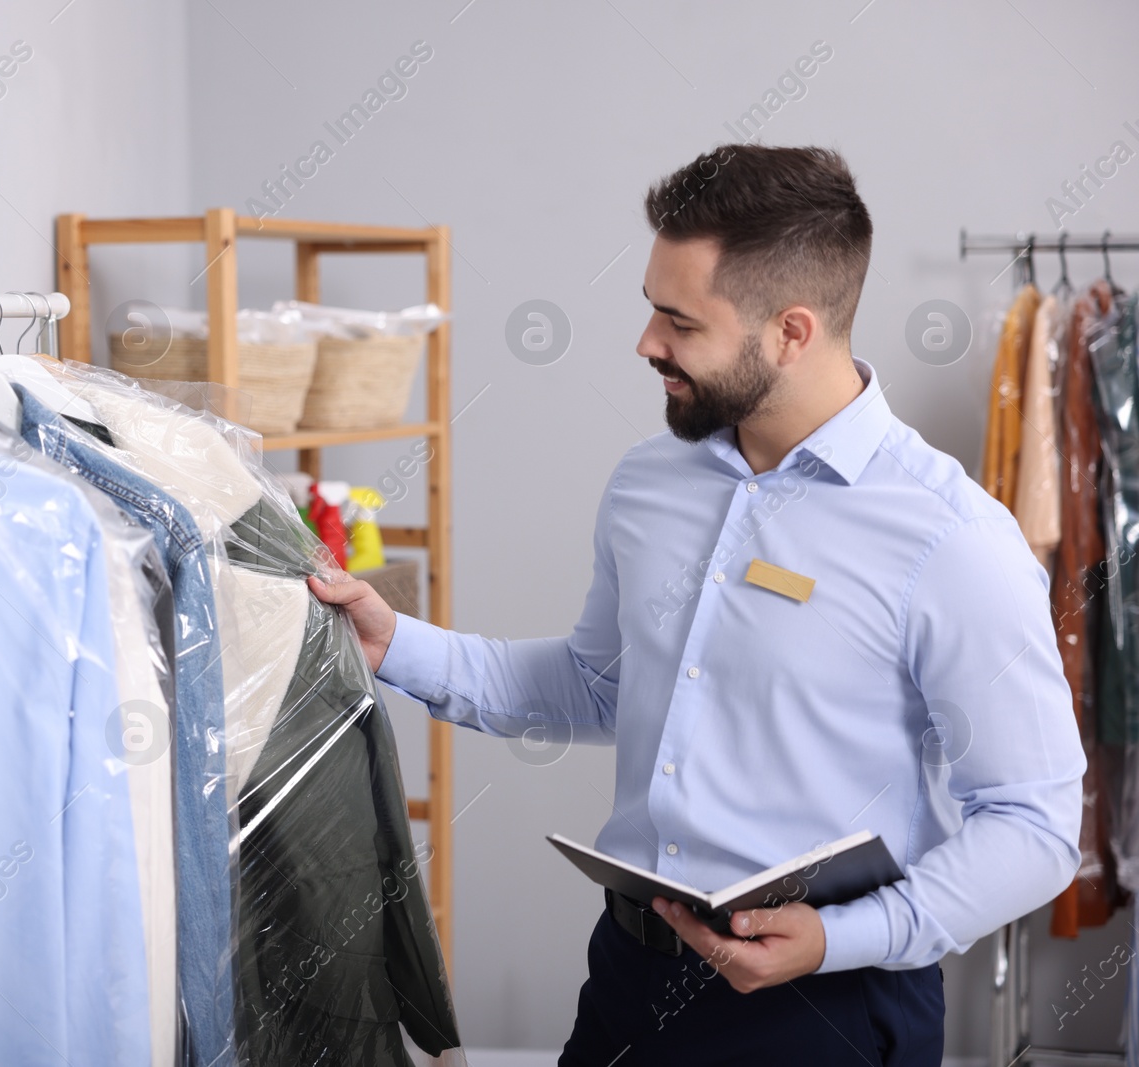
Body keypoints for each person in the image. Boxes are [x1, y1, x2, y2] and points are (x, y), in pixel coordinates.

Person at [308, 144, 1085, 1066]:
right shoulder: (650, 481)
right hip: (628, 982)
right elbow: (598, 684)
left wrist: (848, 937)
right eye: (650, 307)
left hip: (826, 1008)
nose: (646, 343)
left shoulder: (953, 538)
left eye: (679, 321)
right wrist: (394, 641)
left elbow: (1035, 824)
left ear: (791, 331)